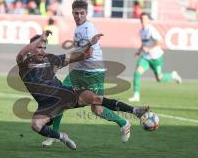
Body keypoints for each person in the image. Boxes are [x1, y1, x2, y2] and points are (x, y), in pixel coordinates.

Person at [16, 30, 150, 150]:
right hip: (47, 105)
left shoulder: (50, 59)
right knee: (36, 125)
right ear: (31, 48)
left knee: (96, 99)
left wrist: (89, 45)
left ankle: (135, 111)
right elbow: (21, 52)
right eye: (39, 47)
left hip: (64, 94)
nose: (42, 50)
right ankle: (61, 137)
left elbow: (72, 56)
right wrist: (41, 38)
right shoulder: (23, 63)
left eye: (44, 47)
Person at [42, 0, 132, 147]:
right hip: (78, 71)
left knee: (97, 109)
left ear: (86, 13)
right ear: (72, 13)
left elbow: (88, 54)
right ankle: (54, 135)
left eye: (82, 13)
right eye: (76, 13)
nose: (79, 16)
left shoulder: (88, 29)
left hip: (93, 72)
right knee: (59, 99)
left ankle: (123, 123)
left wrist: (66, 61)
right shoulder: (78, 28)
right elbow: (79, 51)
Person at [128, 13, 182, 102]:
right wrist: (139, 51)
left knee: (159, 78)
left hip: (156, 57)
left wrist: (149, 48)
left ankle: (173, 75)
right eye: (141, 18)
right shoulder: (141, 31)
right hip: (145, 57)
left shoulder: (151, 30)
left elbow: (160, 42)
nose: (143, 20)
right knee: (137, 73)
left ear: (148, 20)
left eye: (145, 19)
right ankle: (136, 95)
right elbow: (144, 43)